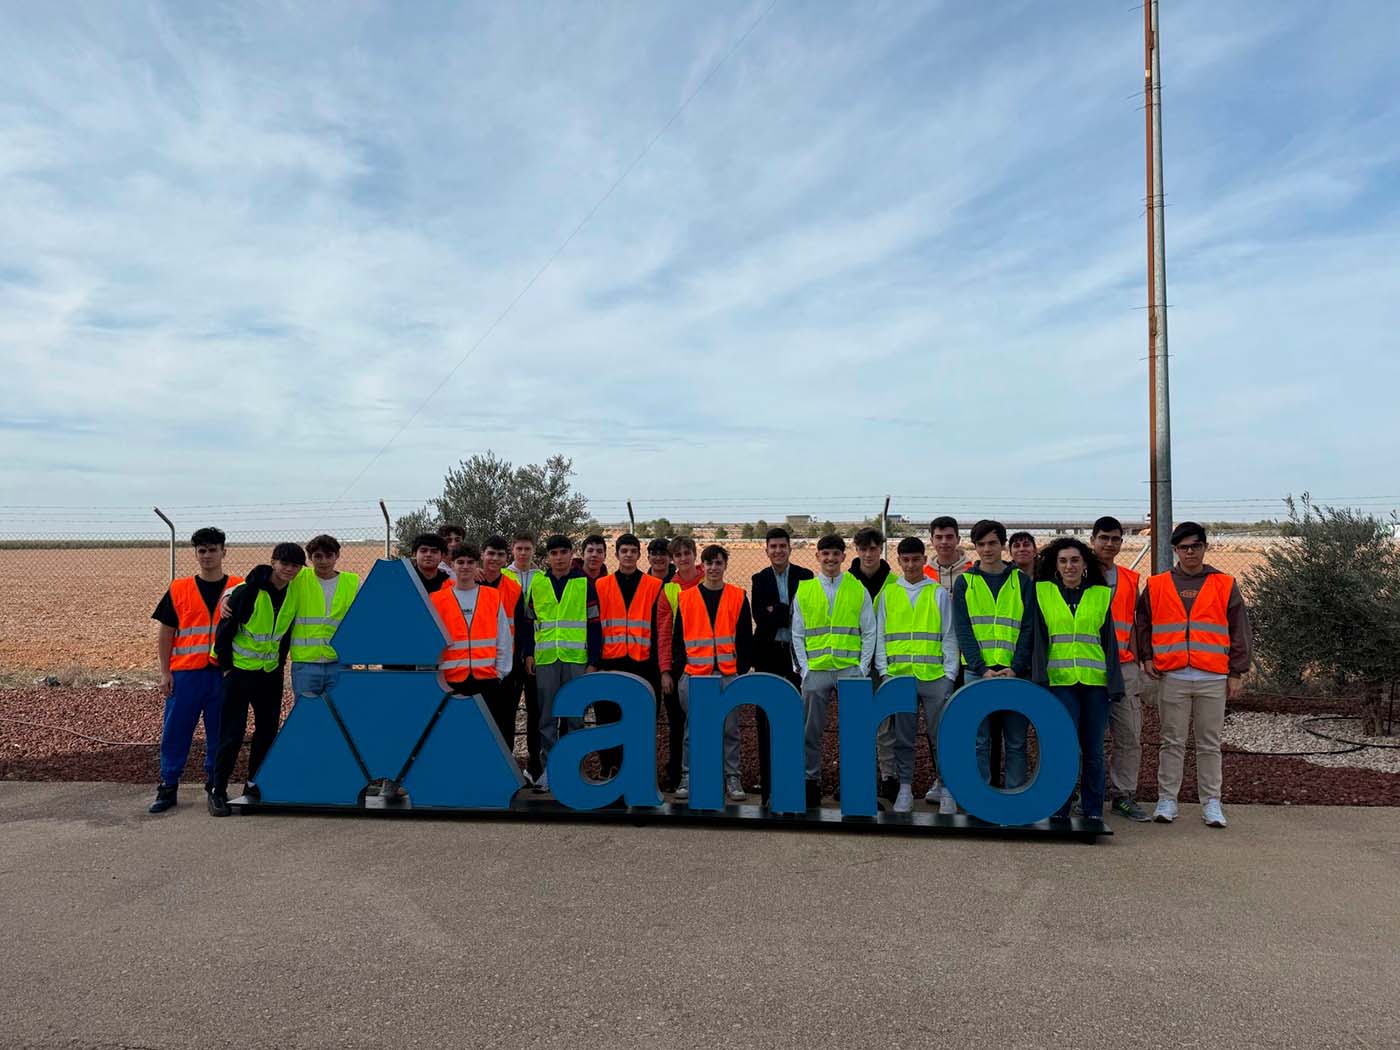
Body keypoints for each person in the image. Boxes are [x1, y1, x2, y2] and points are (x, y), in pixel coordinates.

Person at [1137, 522, 1252, 829]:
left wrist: (1236, 671)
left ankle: (1212, 802)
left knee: (1209, 743)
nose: (1190, 552)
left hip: (1213, 676)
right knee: (1171, 741)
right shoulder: (1158, 584)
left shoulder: (1225, 584)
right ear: (1175, 550)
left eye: (1195, 546)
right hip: (1171, 675)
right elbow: (1143, 623)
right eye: (1184, 547)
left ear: (1204, 547)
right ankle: (1167, 800)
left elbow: (1239, 629)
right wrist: (1146, 657)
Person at [147, 527, 244, 813]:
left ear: (224, 552)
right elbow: (166, 632)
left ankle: (216, 785)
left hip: (223, 674)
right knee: (175, 731)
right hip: (186, 675)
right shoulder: (179, 589)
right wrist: (165, 672)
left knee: (220, 732)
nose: (207, 555)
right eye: (202, 550)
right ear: (196, 554)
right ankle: (168, 786)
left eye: (213, 549)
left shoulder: (238, 587)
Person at [208, 542, 307, 816]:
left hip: (269, 675)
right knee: (232, 733)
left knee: (266, 732)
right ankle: (217, 790)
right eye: (284, 563)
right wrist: (227, 668)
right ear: (273, 562)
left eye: (295, 565)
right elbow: (225, 630)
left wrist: (280, 661)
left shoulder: (293, 592)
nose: (289, 569)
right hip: (239, 673)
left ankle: (253, 785)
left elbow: (284, 633)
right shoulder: (247, 592)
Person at [1031, 537, 1124, 822]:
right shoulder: (1042, 592)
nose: (1069, 566)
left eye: (1074, 560)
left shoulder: (1100, 594)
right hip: (1059, 683)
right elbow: (1038, 639)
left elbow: (1109, 642)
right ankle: (1059, 809)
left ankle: (1092, 811)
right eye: (1063, 561)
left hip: (1094, 683)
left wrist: (1114, 683)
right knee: (1064, 747)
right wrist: (1040, 680)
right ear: (1055, 566)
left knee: (1094, 750)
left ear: (1084, 564)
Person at [875, 537, 961, 814]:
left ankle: (947, 788)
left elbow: (949, 636)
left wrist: (949, 675)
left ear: (925, 560)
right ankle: (905, 789)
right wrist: (885, 673)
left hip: (934, 677)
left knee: (941, 735)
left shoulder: (936, 593)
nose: (911, 564)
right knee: (903, 738)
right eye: (906, 559)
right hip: (900, 677)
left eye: (916, 559)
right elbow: (880, 637)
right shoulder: (888, 595)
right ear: (898, 561)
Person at [792, 534, 876, 809]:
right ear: (817, 557)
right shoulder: (804, 590)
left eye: (835, 554)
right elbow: (798, 634)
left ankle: (851, 783)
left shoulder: (857, 589)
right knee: (810, 731)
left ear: (843, 556)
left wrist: (862, 668)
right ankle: (810, 782)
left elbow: (869, 631)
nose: (830, 559)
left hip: (849, 670)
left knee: (854, 730)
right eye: (825, 554)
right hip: (816, 671)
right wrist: (804, 669)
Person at [952, 520, 1034, 795]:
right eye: (981, 544)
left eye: (993, 543)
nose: (987, 549)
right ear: (974, 547)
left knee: (1016, 741)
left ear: (1002, 545)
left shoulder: (1021, 581)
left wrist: (1016, 666)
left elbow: (1028, 628)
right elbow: (963, 629)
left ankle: (1015, 797)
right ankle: (980, 798)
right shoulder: (965, 583)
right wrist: (980, 666)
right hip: (978, 673)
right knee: (979, 740)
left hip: (1015, 673)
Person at [671, 545, 753, 802]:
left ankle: (732, 777)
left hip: (727, 674)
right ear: (702, 567)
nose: (714, 568)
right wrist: (680, 672)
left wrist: (738, 671)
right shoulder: (686, 598)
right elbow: (677, 640)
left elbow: (744, 639)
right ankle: (688, 776)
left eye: (718, 563)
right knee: (693, 730)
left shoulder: (738, 596)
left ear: (725, 565)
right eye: (709, 563)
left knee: (730, 730)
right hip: (696, 674)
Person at [520, 535, 601, 792]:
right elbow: (528, 622)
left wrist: (594, 661)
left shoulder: (584, 584)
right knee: (546, 719)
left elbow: (594, 625)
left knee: (574, 718)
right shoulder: (538, 583)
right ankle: (549, 771)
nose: (559, 557)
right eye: (554, 553)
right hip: (545, 660)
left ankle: (573, 770)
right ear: (548, 557)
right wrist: (529, 653)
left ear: (570, 554)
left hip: (576, 660)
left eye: (563, 552)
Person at [1090, 516, 1150, 822]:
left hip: (1125, 668)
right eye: (1104, 538)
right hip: (1088, 667)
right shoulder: (1078, 573)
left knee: (1128, 735)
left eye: (1115, 539)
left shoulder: (1129, 578)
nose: (1109, 544)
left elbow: (1137, 625)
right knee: (1088, 736)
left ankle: (1123, 795)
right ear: (1093, 540)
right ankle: (1088, 796)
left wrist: (1140, 663)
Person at [750, 527, 813, 804]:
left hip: (796, 655)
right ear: (766, 550)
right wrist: (782, 612)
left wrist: (776, 610)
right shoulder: (759, 579)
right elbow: (760, 618)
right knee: (765, 717)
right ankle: (769, 778)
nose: (778, 550)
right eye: (773, 546)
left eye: (782, 546)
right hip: (768, 655)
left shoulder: (805, 577)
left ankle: (796, 777)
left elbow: (805, 616)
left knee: (797, 715)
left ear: (790, 548)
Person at [593, 533, 665, 779]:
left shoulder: (654, 586)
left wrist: (659, 666)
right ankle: (608, 768)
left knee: (640, 721)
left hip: (643, 663)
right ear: (616, 555)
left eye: (633, 551)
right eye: (623, 551)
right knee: (607, 718)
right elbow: (594, 627)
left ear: (638, 555)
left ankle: (635, 770)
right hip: (610, 661)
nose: (628, 555)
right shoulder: (601, 586)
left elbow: (659, 628)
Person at [430, 544, 513, 727]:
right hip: (452, 679)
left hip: (487, 679)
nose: (465, 566)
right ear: (452, 565)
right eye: (460, 562)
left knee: (488, 730)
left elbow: (504, 638)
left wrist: (500, 673)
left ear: (477, 565)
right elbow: (432, 642)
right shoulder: (437, 599)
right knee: (457, 729)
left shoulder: (492, 596)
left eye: (470, 562)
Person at [849, 527, 899, 802]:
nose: (868, 554)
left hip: (884, 664)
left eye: (873, 548)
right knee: (855, 723)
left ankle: (887, 777)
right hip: (854, 662)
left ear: (881, 549)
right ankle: (857, 776)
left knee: (885, 724)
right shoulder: (845, 583)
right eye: (863, 549)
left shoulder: (894, 584)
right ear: (856, 550)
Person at [286, 534, 360, 710]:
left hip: (339, 662)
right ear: (310, 558)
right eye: (318, 556)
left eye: (329, 555)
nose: (324, 561)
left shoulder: (353, 582)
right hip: (306, 664)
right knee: (305, 713)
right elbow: (263, 580)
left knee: (340, 713)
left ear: (337, 556)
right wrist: (229, 595)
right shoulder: (298, 578)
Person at [656, 536, 703, 787]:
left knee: (706, 722)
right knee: (677, 723)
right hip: (678, 664)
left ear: (695, 555)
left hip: (707, 663)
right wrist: (665, 670)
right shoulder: (669, 590)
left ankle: (707, 774)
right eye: (679, 555)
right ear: (673, 559)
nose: (684, 558)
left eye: (688, 553)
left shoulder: (710, 581)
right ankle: (678, 775)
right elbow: (663, 634)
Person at [502, 532, 544, 781]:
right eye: (519, 548)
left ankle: (535, 766)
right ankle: (506, 766)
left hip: (535, 654)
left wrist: (531, 652)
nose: (523, 553)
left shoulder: (541, 578)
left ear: (533, 550)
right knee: (507, 712)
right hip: (508, 654)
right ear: (512, 550)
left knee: (535, 713)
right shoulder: (503, 576)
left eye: (528, 548)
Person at [478, 535, 524, 754]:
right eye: (490, 553)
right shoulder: (469, 582)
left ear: (506, 559)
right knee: (477, 717)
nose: (494, 559)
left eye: (500, 555)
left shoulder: (513, 589)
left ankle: (507, 772)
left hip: (506, 664)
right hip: (475, 664)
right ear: (482, 555)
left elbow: (523, 626)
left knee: (505, 718)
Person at [924, 516, 971, 589]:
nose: (944, 542)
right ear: (932, 541)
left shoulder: (971, 571)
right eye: (939, 537)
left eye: (949, 537)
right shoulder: (924, 574)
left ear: (958, 540)